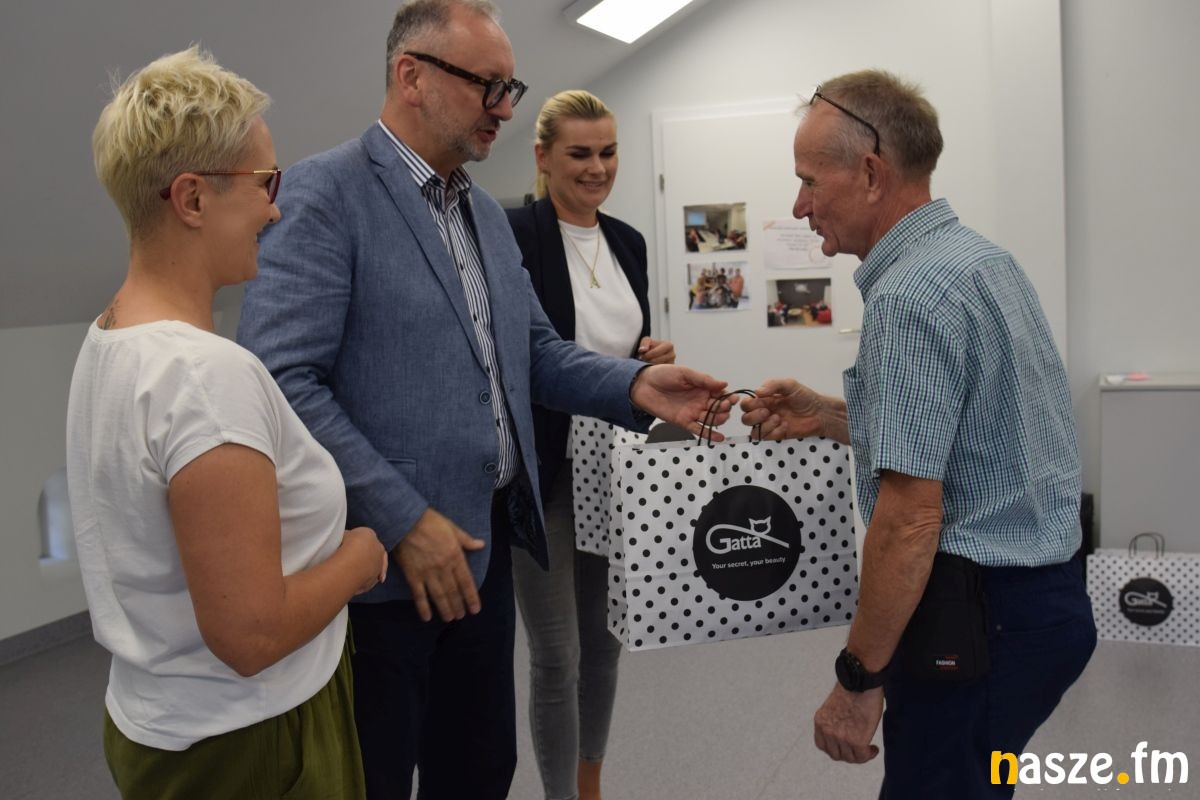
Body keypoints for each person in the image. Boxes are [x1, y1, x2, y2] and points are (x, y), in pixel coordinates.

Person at [235, 3, 731, 798]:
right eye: (487, 85)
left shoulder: (482, 213)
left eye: (510, 88)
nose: (504, 107)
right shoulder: (326, 194)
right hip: (380, 575)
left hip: (483, 550)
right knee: (376, 777)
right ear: (411, 77)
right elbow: (281, 381)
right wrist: (403, 519)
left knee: (477, 771)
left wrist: (634, 385)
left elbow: (533, 353)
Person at [741, 69, 1096, 798]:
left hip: (980, 619)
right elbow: (982, 438)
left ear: (872, 174)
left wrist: (858, 680)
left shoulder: (907, 297)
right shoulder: (979, 261)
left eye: (808, 181)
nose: (800, 206)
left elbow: (909, 520)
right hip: (1044, 600)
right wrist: (828, 416)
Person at [67, 47, 388, 800]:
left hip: (160, 720)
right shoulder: (204, 376)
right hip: (253, 741)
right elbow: (250, 636)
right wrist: (361, 558)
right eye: (264, 182)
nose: (275, 208)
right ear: (192, 198)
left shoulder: (109, 335)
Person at [505, 90, 673, 800]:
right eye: (579, 153)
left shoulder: (628, 241)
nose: (596, 168)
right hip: (544, 471)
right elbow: (523, 355)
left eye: (608, 152)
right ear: (543, 157)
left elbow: (621, 351)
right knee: (557, 654)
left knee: (605, 643)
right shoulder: (515, 234)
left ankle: (590, 783)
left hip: (616, 472)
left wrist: (651, 357)